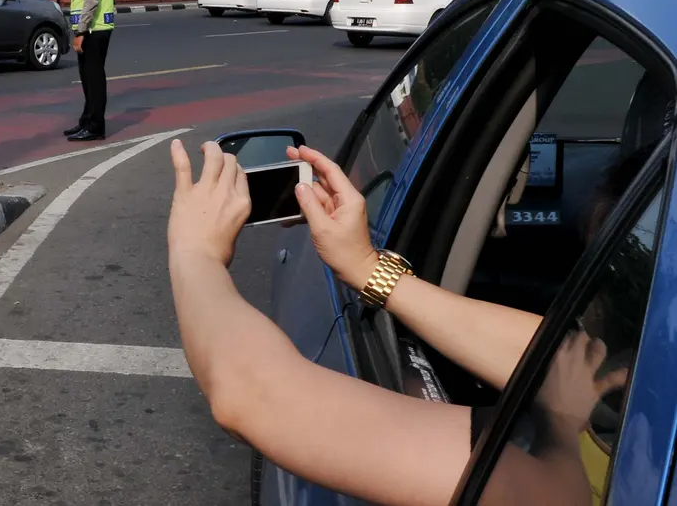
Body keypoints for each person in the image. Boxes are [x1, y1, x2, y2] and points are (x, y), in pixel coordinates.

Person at [167, 139, 640, 505]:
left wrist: (196, 253)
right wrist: (367, 268)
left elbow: (255, 396)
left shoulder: (566, 482)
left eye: (598, 273)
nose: (578, 305)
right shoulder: (641, 383)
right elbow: (556, 358)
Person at [64, 0, 115, 142]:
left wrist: (81, 30)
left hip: (94, 29)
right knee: (87, 77)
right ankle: (86, 120)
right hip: (91, 28)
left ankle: (95, 126)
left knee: (93, 79)